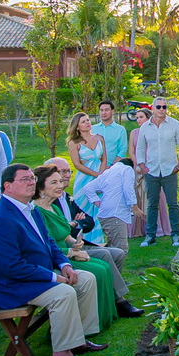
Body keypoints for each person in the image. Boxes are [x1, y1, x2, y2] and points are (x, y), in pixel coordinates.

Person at [0, 163, 106, 356]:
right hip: (8, 285)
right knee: (63, 292)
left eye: (32, 178)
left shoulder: (31, 209)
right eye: (25, 179)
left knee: (84, 279)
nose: (31, 182)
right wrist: (53, 277)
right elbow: (10, 267)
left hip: (33, 276)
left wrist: (65, 265)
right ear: (7, 186)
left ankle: (78, 340)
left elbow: (48, 243)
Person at [48, 159, 142, 317]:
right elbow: (57, 231)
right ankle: (118, 300)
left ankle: (109, 294)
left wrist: (76, 223)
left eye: (68, 171)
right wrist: (73, 224)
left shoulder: (66, 198)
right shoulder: (49, 203)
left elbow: (88, 222)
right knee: (107, 253)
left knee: (117, 252)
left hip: (77, 243)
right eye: (61, 172)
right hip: (65, 250)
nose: (66, 176)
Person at [31, 166, 116, 331]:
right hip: (57, 258)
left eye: (60, 181)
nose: (60, 186)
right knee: (97, 270)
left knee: (104, 267)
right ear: (40, 187)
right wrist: (73, 252)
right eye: (54, 182)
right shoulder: (37, 212)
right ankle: (85, 326)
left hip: (68, 251)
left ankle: (103, 319)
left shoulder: (54, 207)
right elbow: (46, 245)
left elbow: (64, 235)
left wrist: (73, 242)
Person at [135, 97, 179, 248]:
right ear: (152, 108)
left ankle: (175, 235)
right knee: (152, 203)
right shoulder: (145, 127)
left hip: (169, 170)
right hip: (151, 170)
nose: (161, 109)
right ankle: (150, 236)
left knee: (172, 203)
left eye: (164, 107)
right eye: (158, 107)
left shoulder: (175, 125)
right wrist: (142, 165)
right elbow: (140, 147)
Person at [79, 157, 145, 254]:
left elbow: (88, 188)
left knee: (112, 249)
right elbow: (128, 189)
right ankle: (115, 269)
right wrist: (134, 207)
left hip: (104, 216)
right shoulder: (127, 169)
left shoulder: (107, 173)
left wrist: (99, 204)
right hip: (115, 216)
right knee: (120, 250)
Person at [65, 112, 107, 246]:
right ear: (77, 126)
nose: (87, 123)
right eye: (83, 122)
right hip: (84, 178)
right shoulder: (74, 143)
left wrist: (101, 173)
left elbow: (103, 157)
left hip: (100, 177)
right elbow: (77, 164)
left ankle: (98, 241)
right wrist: (95, 174)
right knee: (84, 209)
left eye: (88, 120)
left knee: (98, 208)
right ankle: (83, 241)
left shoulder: (99, 138)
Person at [128, 109, 170, 238]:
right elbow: (131, 152)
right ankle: (139, 228)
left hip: (152, 168)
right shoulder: (133, 133)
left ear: (148, 118)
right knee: (137, 196)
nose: (138, 120)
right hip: (138, 169)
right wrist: (138, 164)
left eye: (141, 117)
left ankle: (156, 227)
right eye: (137, 118)